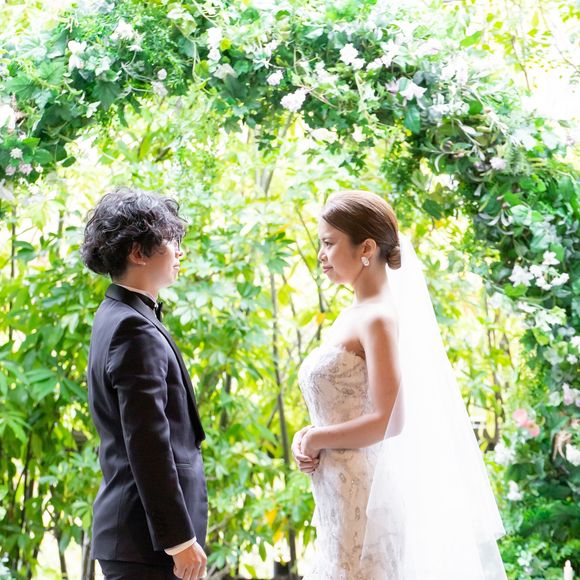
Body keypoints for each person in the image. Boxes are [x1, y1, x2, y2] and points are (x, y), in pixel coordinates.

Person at [293, 189, 506, 579]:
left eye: (329, 243)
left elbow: (388, 421)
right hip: (335, 489)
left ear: (366, 248)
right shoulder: (352, 314)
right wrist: (308, 436)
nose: (321, 255)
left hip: (364, 492)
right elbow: (344, 404)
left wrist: (317, 439)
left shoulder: (378, 318)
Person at [81, 187, 208, 580]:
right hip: (146, 543)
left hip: (138, 539)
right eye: (171, 242)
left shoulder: (118, 313)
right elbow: (147, 441)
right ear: (138, 252)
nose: (180, 252)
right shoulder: (132, 327)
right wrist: (179, 540)